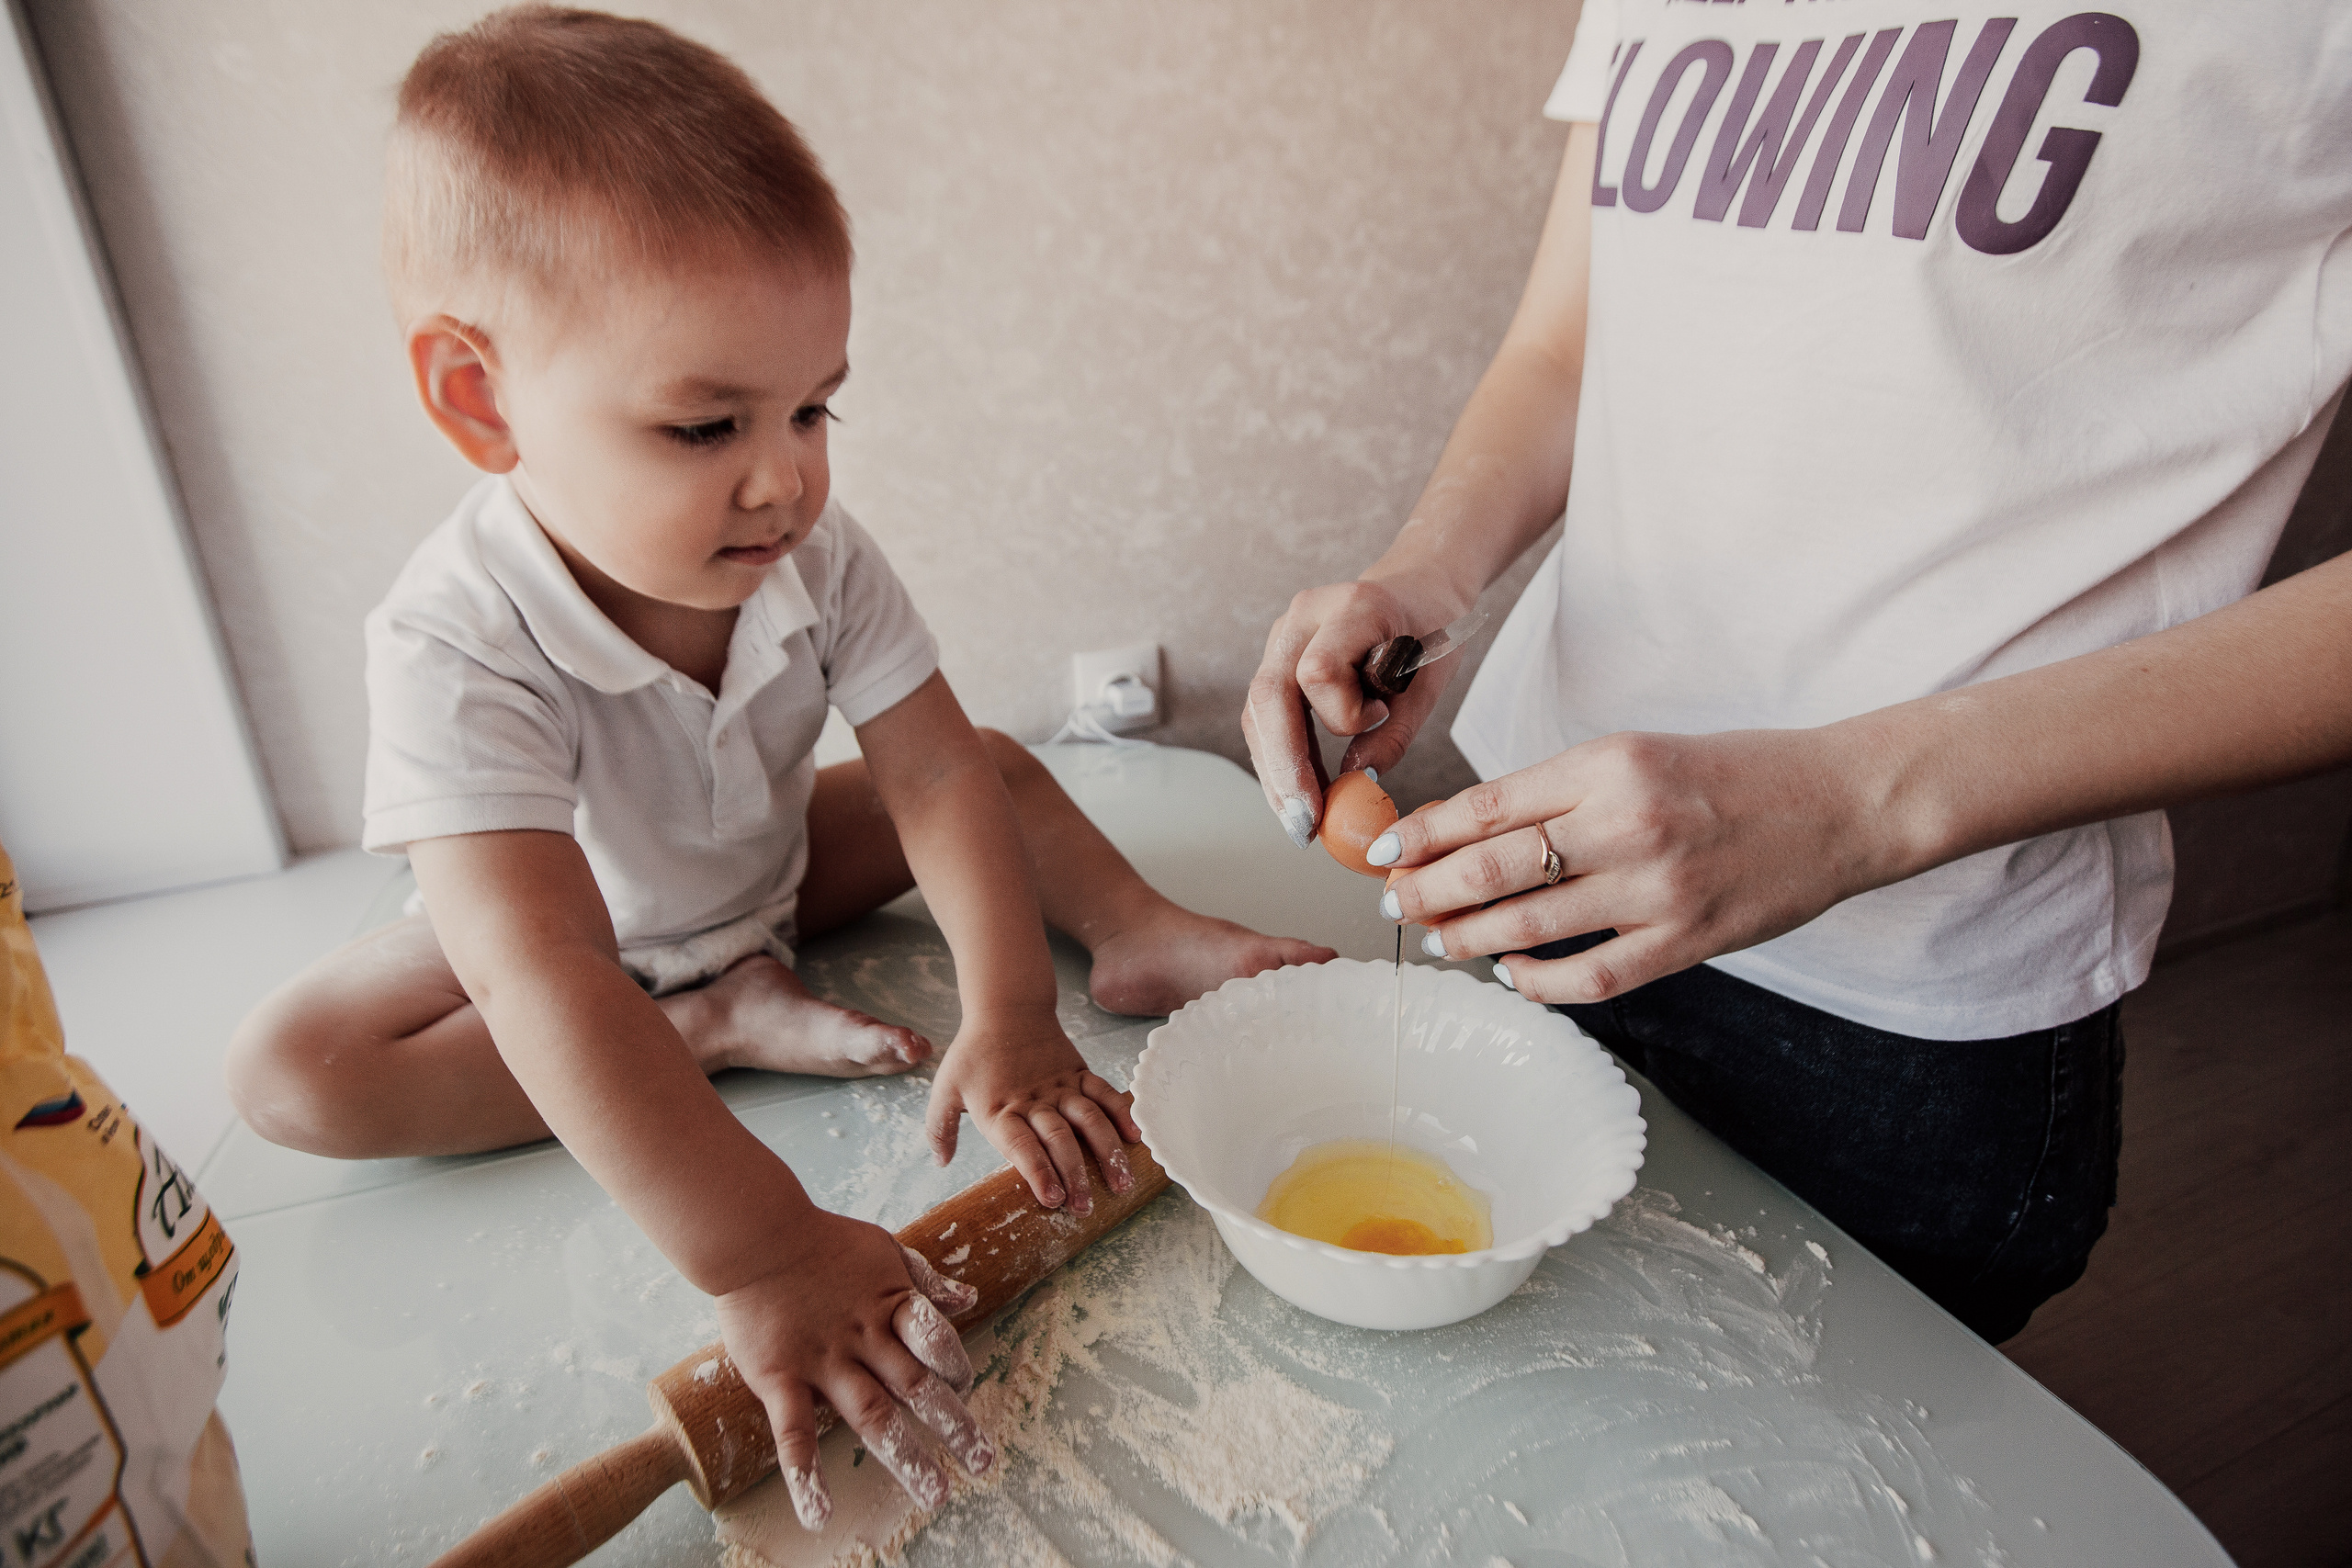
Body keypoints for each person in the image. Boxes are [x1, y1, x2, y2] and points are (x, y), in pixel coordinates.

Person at [226, 6, 1332, 1526]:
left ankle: (1134, 931)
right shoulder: (454, 639)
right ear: (480, 399)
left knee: (993, 764)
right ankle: (699, 1032)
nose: (788, 476)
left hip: (777, 869)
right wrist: (761, 1249)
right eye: (705, 425)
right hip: (590, 942)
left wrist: (1012, 1016)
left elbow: (936, 779)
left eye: (815, 406)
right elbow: (542, 974)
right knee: (295, 1073)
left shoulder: (812, 551)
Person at [1245, 2, 2352, 1341]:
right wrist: (1428, 573)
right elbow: (1567, 346)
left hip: (1904, 996)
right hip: (1546, 863)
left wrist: (1857, 800)